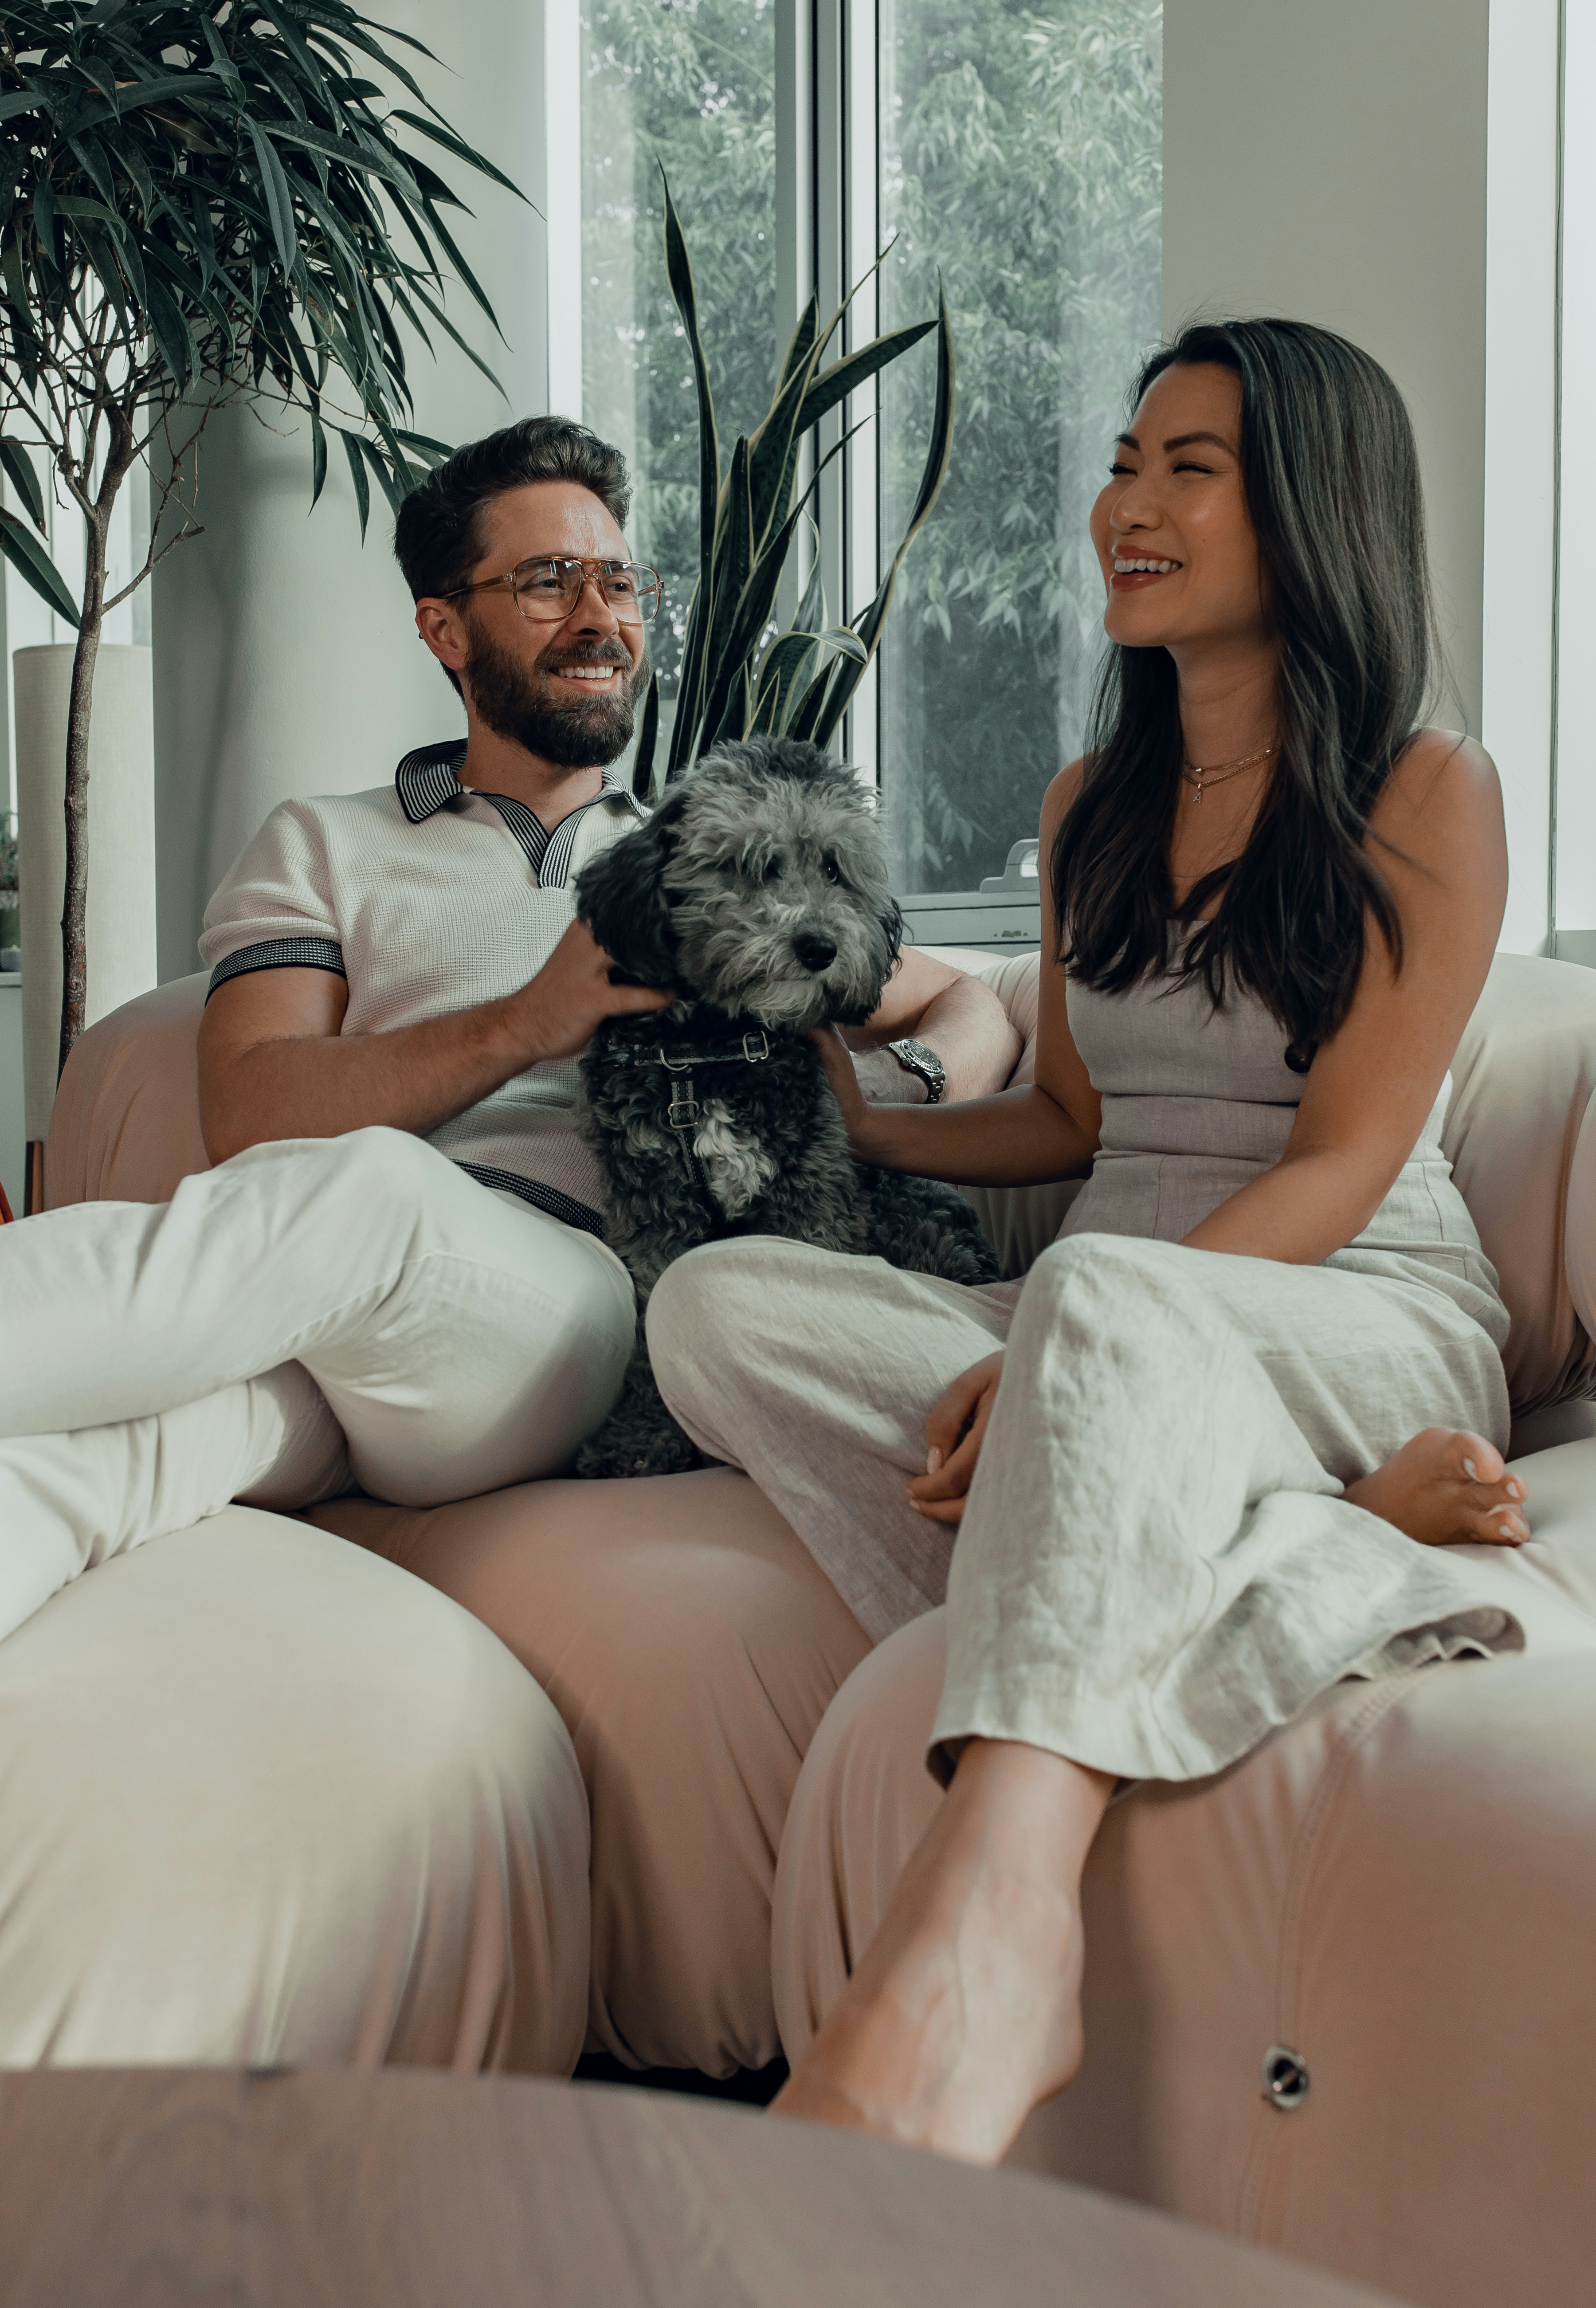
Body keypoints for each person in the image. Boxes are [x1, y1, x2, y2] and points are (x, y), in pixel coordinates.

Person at [643, 319, 1533, 2161]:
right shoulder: (1086, 809)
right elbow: (1068, 1121)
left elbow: (1354, 1158)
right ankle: (1321, 1547)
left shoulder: (1429, 791)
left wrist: (1067, 1329)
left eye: (1186, 468)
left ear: (1310, 508)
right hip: (1112, 1325)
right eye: (1127, 461)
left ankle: (998, 1928)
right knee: (718, 1309)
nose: (1125, 502)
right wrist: (878, 1120)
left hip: (1351, 1308)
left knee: (1094, 1303)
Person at [0, 414, 1017, 1667]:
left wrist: (885, 1098)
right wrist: (532, 1019)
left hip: (566, 1300)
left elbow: (980, 1004)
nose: (599, 614)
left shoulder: (725, 851)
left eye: (618, 579)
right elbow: (253, 1110)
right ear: (443, 627)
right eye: (546, 580)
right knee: (116, 1459)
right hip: (333, 1299)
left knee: (369, 1195)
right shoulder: (323, 841)